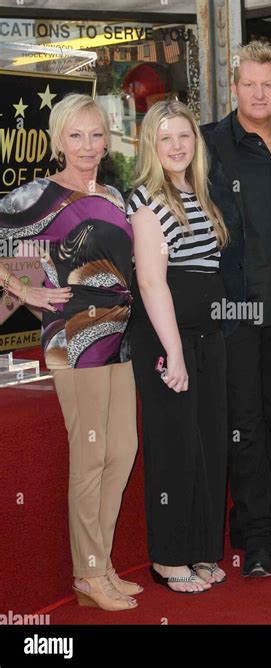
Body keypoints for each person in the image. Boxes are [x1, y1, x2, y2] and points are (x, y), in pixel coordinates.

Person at [0, 94, 141, 611]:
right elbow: (7, 248)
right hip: (74, 338)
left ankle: (100, 566)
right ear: (58, 140)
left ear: (108, 139)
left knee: (121, 450)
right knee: (90, 456)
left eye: (96, 134)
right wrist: (28, 290)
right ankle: (88, 575)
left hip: (122, 336)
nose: (88, 145)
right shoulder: (38, 194)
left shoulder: (116, 195)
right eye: (76, 135)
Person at [201, 41, 271, 578]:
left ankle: (256, 522)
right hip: (232, 310)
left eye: (269, 84)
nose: (260, 93)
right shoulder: (207, 145)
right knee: (243, 421)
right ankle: (255, 541)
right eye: (250, 84)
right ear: (235, 87)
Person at [128, 100, 229, 594]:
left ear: (196, 141)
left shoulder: (198, 192)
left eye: (183, 136)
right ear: (150, 144)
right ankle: (168, 559)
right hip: (168, 341)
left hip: (208, 338)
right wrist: (176, 352)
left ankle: (201, 549)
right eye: (165, 138)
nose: (176, 146)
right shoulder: (145, 199)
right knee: (173, 449)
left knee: (208, 445)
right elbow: (151, 282)